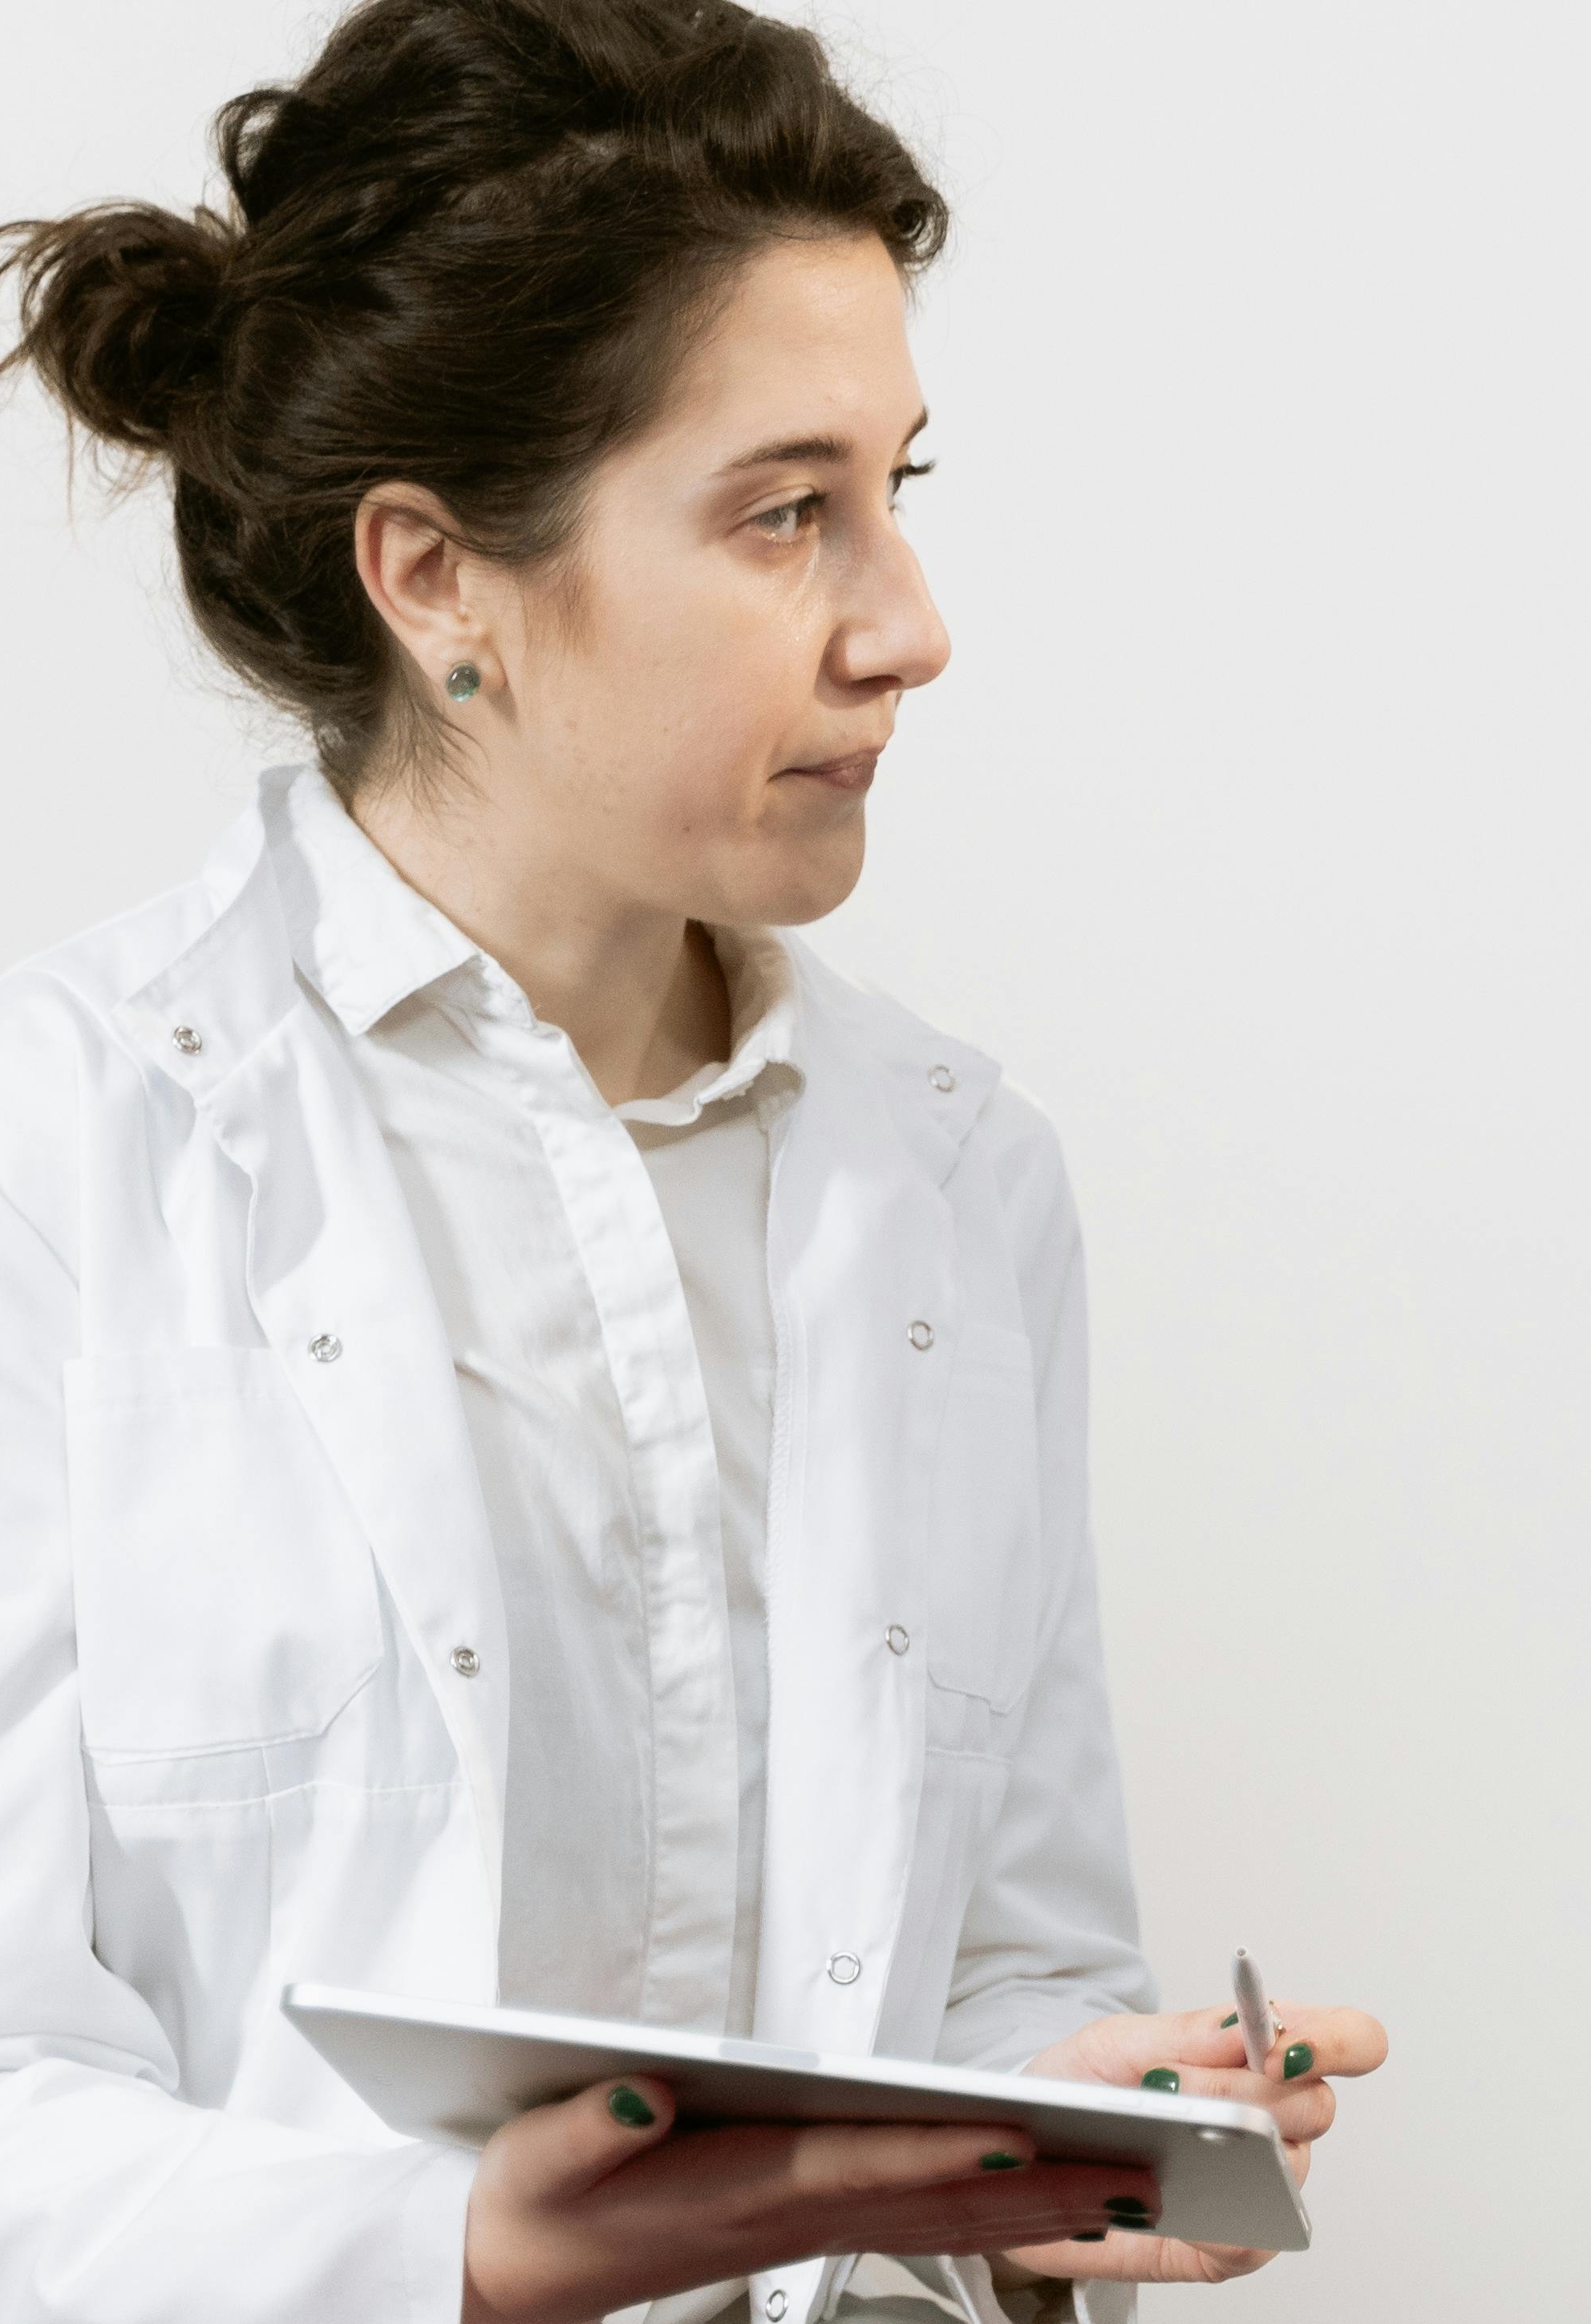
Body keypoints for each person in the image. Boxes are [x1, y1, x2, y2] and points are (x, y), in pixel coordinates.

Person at [0, 5, 1382, 2320]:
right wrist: (443, 2250)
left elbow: (999, 1952)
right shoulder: (63, 1154)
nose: (909, 629)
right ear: (439, 580)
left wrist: (1061, 2116)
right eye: (783, 513)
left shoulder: (958, 1180)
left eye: (896, 494)